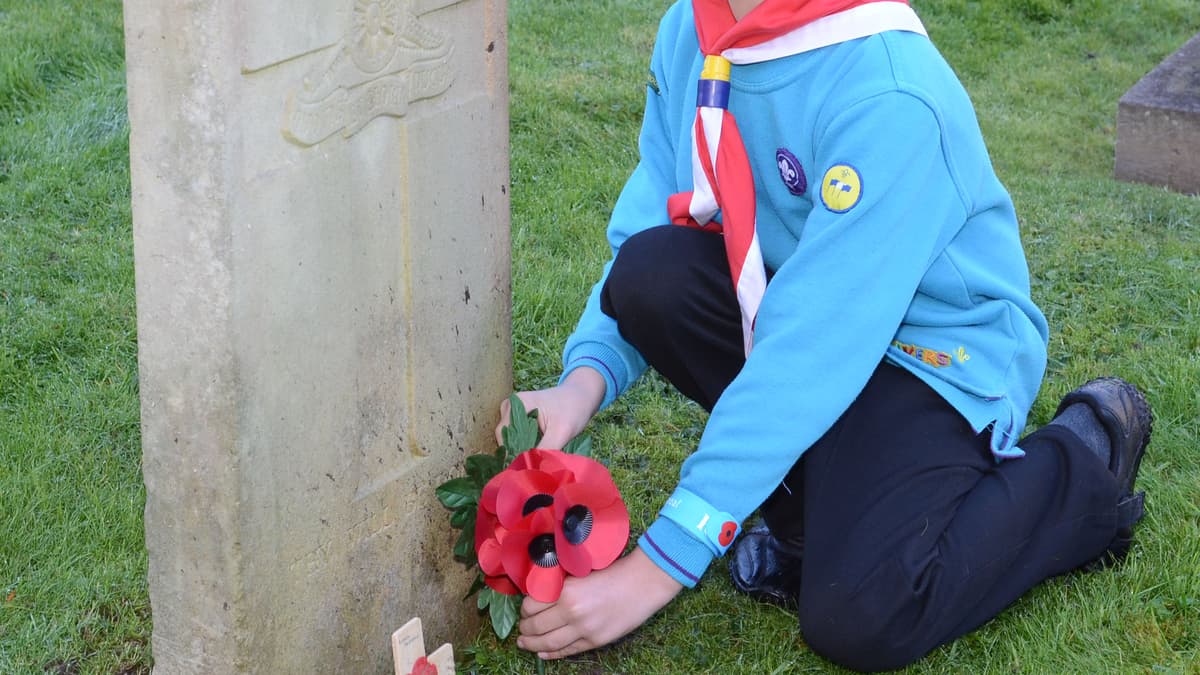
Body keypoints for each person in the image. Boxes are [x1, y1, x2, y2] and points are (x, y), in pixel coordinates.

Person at [494, 0, 1153, 670]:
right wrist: (581, 385)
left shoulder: (889, 90)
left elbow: (812, 348)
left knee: (863, 612)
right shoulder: (692, 29)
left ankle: (1079, 458)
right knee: (650, 275)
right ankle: (816, 518)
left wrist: (658, 566)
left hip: (933, 354)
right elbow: (658, 216)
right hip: (802, 315)